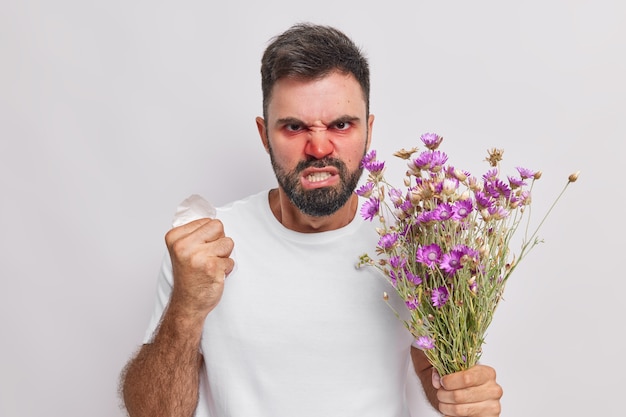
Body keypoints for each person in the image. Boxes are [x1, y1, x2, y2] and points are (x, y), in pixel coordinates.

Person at [120, 23, 503, 417]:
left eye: (341, 125)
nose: (319, 147)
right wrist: (186, 308)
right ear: (264, 134)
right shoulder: (205, 249)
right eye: (294, 126)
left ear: (368, 131)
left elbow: (437, 378)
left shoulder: (415, 247)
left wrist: (465, 395)